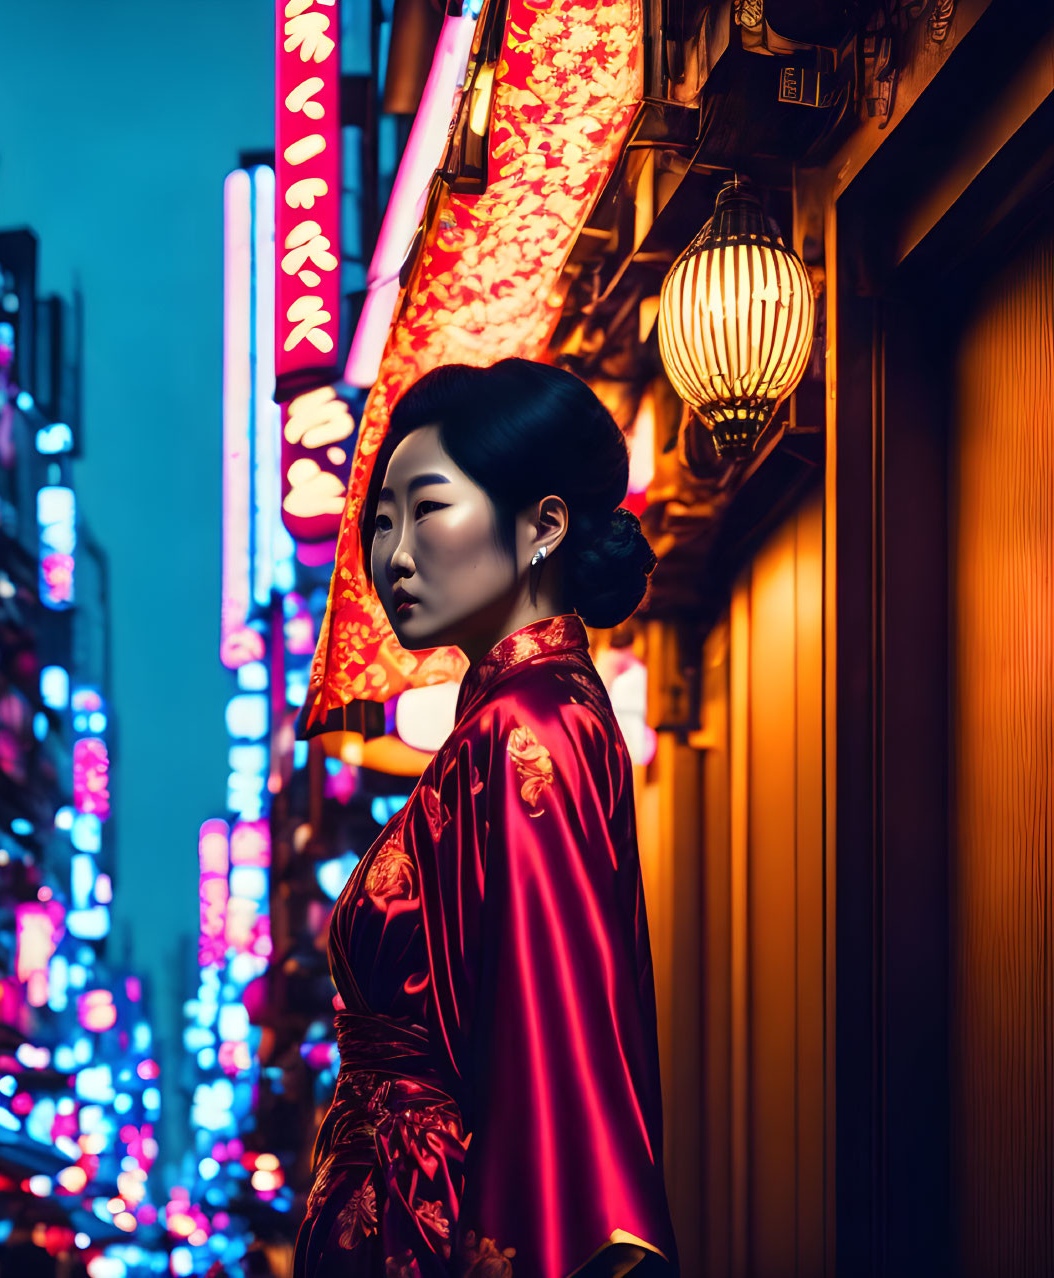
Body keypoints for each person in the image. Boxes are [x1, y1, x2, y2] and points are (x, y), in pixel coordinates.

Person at [294, 360, 679, 1277]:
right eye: (379, 522)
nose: (391, 554)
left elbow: (551, 1042)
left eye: (425, 510)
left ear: (543, 524)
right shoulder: (518, 717)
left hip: (426, 1220)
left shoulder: (522, 726)